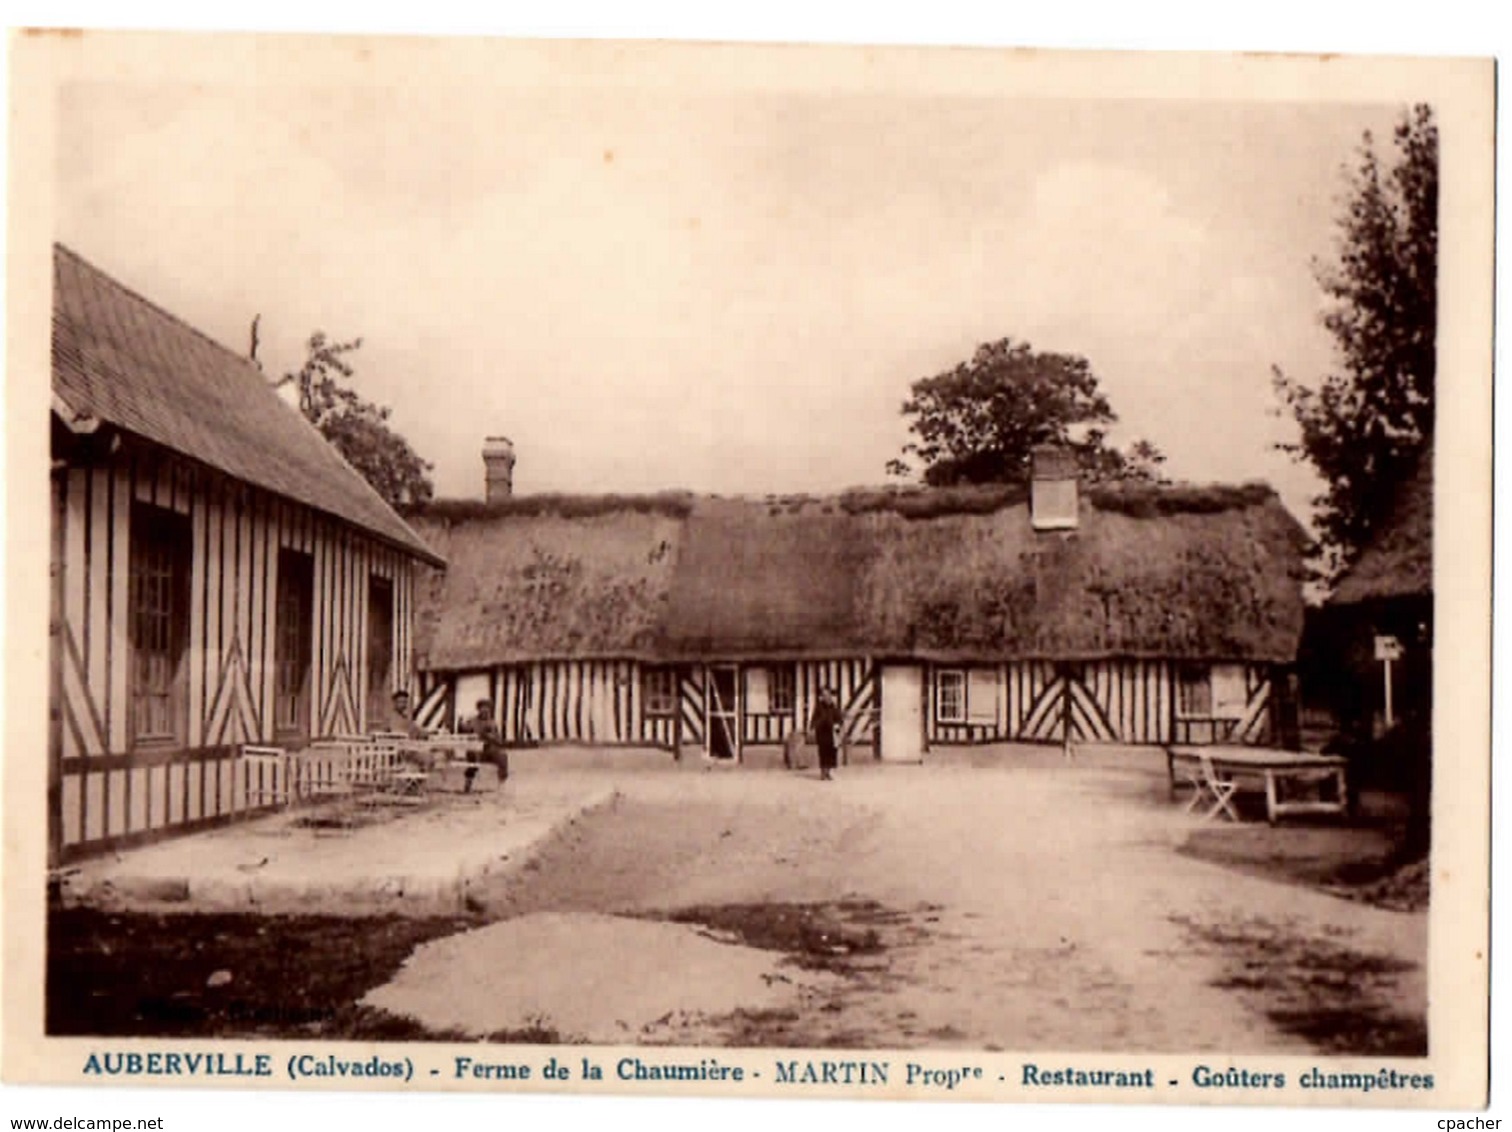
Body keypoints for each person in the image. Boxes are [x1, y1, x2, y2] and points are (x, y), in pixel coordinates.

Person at [460, 698, 508, 790]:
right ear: (478, 710)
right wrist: (463, 727)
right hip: (475, 748)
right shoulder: (472, 722)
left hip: (489, 749)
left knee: (502, 756)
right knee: (473, 759)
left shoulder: (492, 723)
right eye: (482, 708)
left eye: (487, 709)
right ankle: (468, 783)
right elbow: (464, 733)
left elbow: (499, 741)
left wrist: (491, 737)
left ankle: (502, 783)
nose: (485, 711)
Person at [808, 688, 843, 782]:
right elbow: (814, 719)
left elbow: (839, 719)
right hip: (822, 733)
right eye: (824, 695)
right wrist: (813, 727)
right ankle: (823, 772)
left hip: (832, 733)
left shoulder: (834, 707)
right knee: (823, 752)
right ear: (822, 697)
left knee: (832, 752)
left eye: (828, 695)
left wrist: (838, 725)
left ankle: (828, 772)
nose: (826, 697)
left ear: (831, 696)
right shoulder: (819, 707)